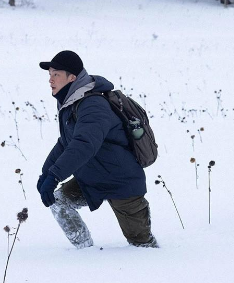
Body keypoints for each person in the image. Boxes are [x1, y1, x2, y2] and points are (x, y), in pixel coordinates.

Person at [36, 50, 158, 248]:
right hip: (94, 178)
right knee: (60, 202)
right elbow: (66, 142)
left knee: (142, 246)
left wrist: (55, 175)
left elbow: (84, 144)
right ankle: (85, 253)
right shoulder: (72, 103)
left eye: (56, 74)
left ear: (72, 77)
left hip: (121, 181)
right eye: (49, 74)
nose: (50, 80)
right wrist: (46, 173)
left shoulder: (92, 105)